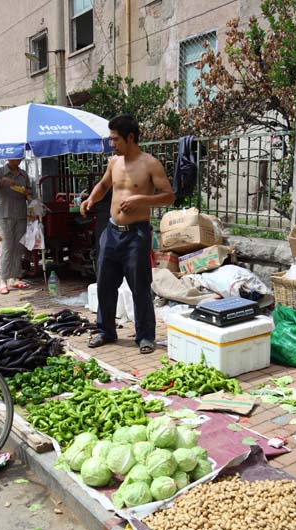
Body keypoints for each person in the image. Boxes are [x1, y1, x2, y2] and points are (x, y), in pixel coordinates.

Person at [80, 114, 174, 354]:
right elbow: (103, 185)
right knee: (105, 284)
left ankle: (145, 336)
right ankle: (105, 331)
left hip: (136, 235)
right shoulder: (114, 162)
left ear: (130, 137)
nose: (112, 144)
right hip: (111, 232)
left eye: (115, 139)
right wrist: (91, 199)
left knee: (140, 287)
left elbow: (169, 196)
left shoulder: (150, 164)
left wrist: (141, 199)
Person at [0, 158, 35, 295]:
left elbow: (30, 192)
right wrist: (1, 181)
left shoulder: (23, 174)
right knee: (7, 247)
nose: (18, 161)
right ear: (9, 158)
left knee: (18, 246)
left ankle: (15, 278)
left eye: (20, 158)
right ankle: (3, 280)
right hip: (5, 214)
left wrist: (27, 193)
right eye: (15, 158)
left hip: (21, 214)